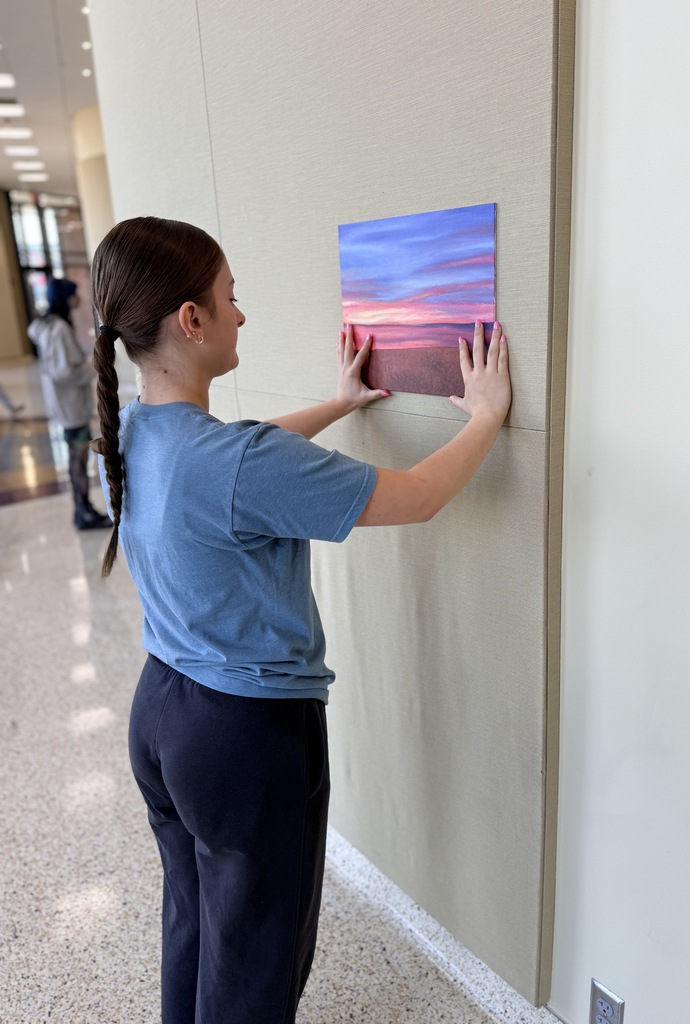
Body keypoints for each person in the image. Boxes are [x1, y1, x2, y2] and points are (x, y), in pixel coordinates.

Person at [90, 216, 511, 1024]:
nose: (241, 314)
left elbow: (242, 465)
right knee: (256, 964)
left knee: (198, 923)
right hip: (243, 742)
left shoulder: (131, 436)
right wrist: (486, 414)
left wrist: (339, 403)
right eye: (231, 298)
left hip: (163, 718)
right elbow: (417, 497)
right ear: (191, 321)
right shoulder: (235, 465)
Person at [27, 277, 111, 529]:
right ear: (64, 297)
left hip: (64, 403)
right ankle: (83, 510)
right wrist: (94, 366)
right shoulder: (59, 329)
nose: (79, 298)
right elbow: (66, 371)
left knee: (77, 456)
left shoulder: (47, 325)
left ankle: (82, 508)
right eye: (74, 294)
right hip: (70, 404)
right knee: (78, 457)